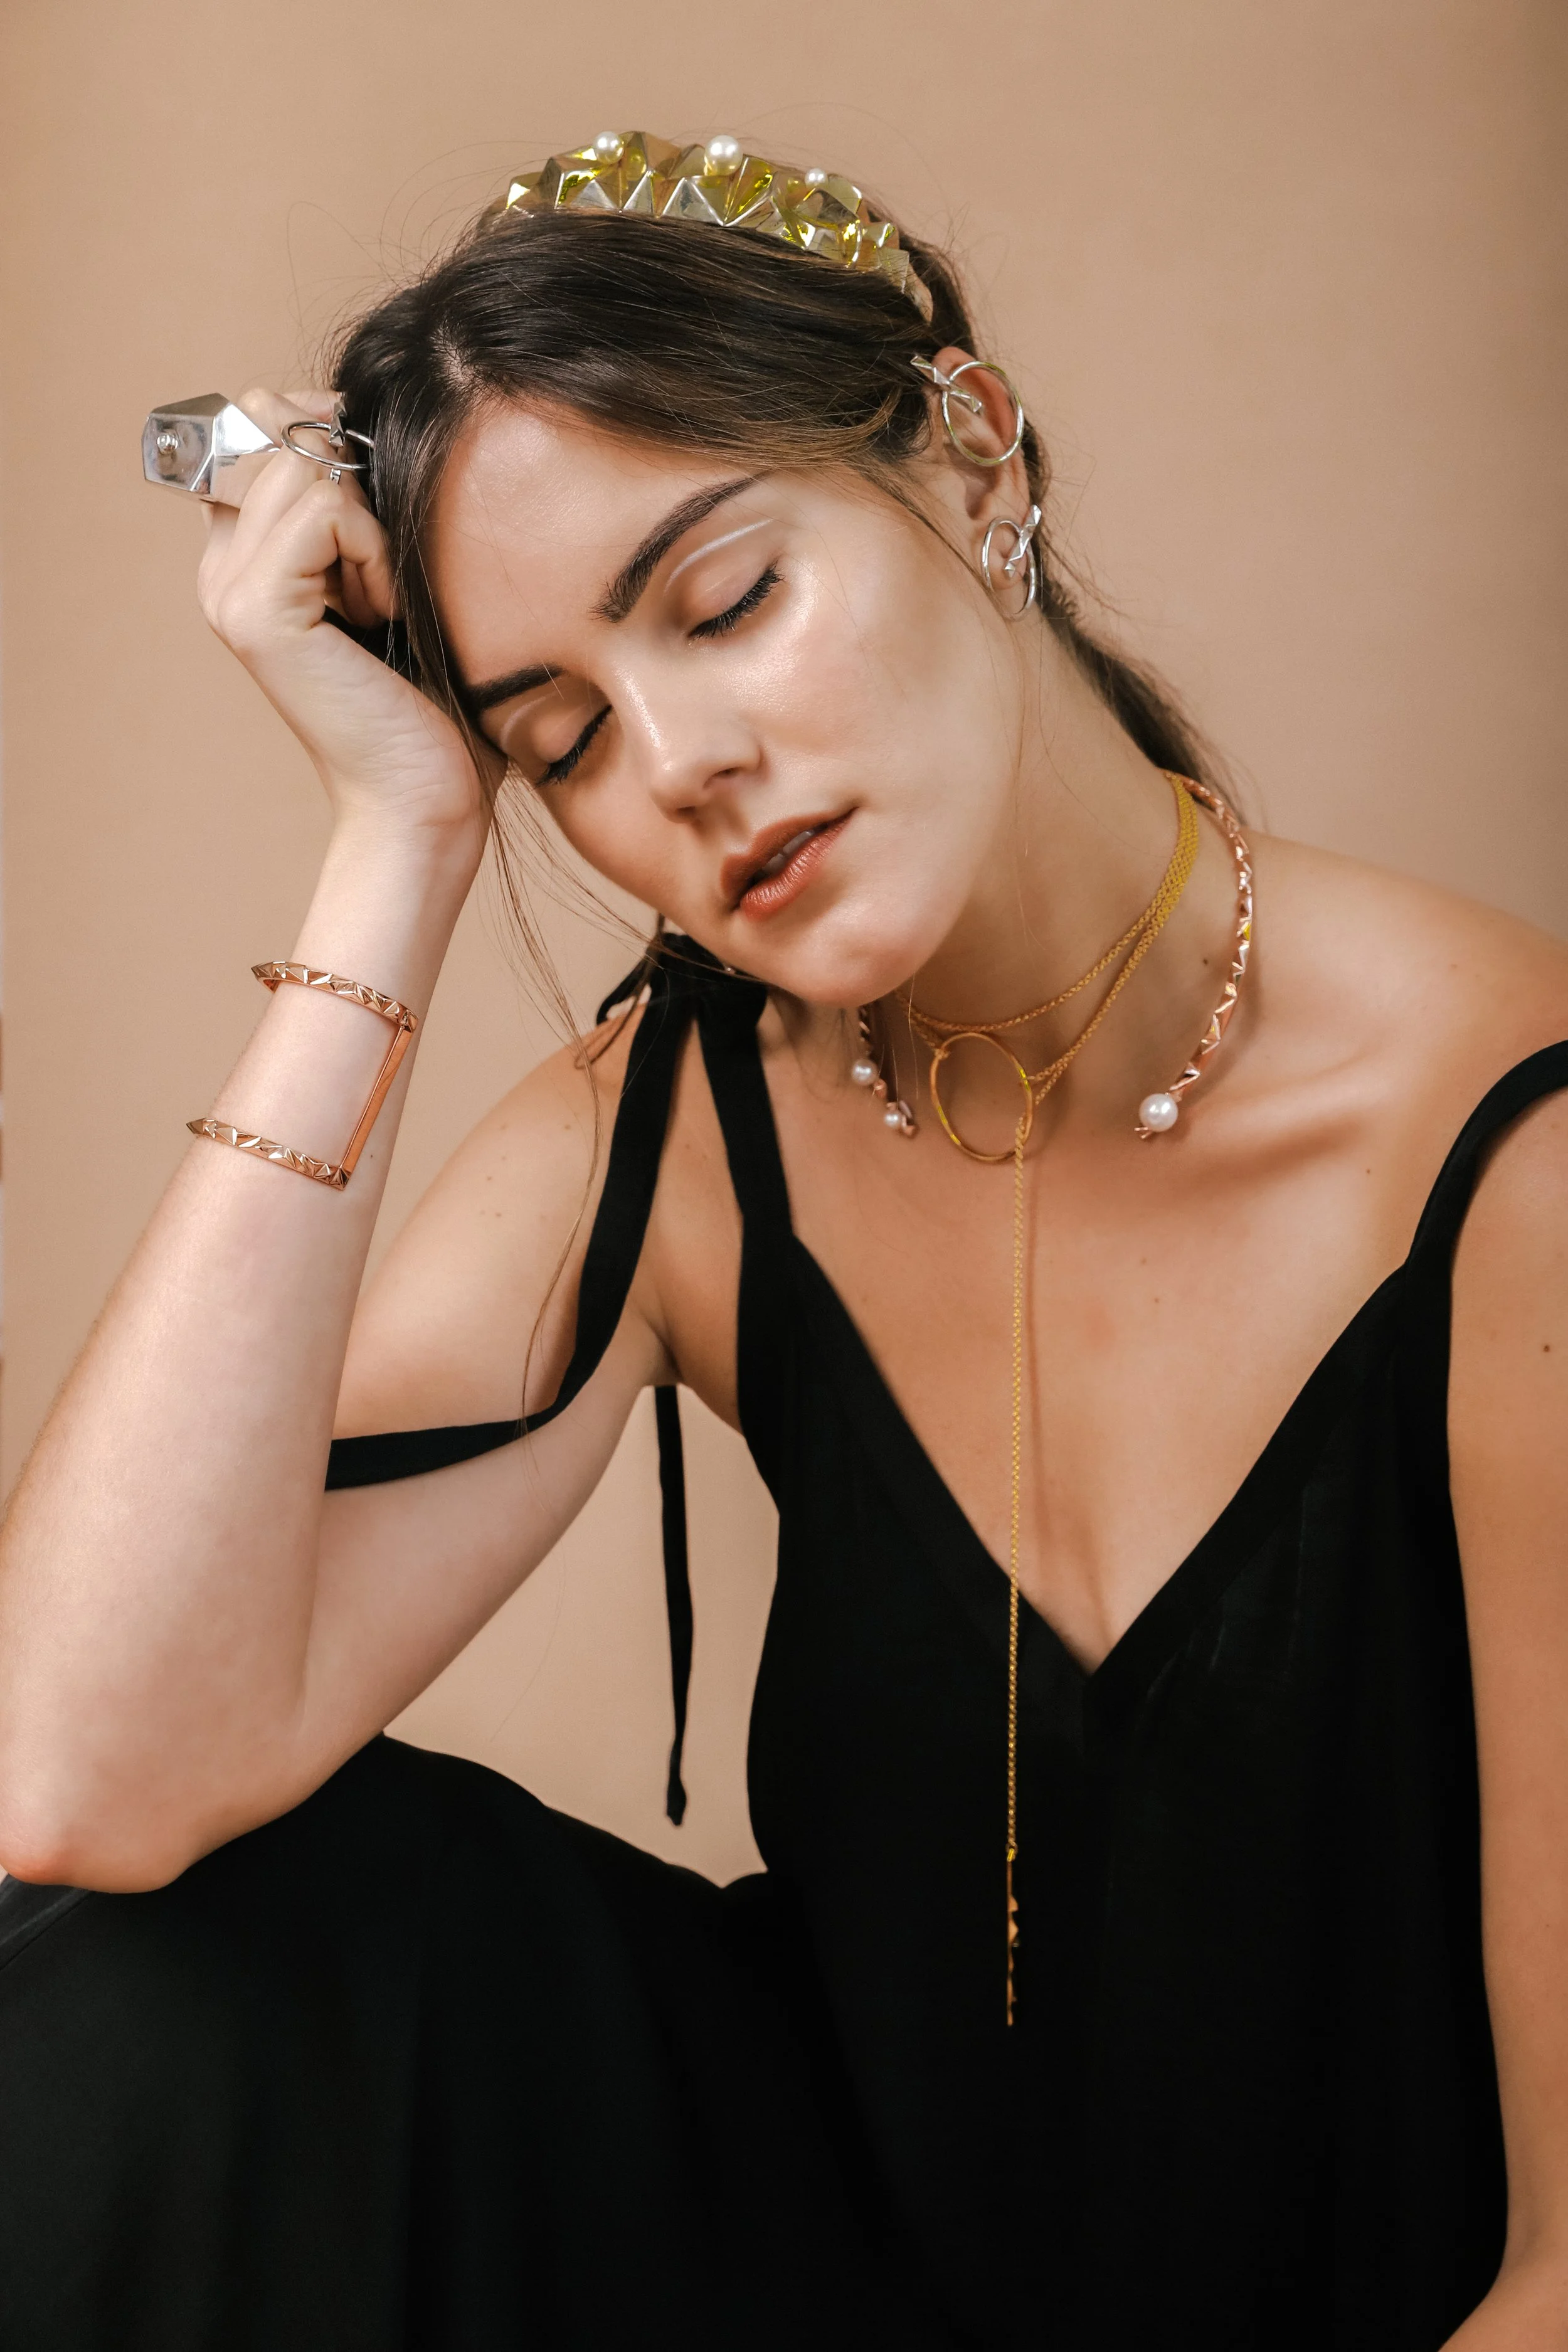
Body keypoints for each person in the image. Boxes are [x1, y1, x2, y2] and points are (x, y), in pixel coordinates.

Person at [1, 129, 1565, 2352]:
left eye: (724, 602)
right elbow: (86, 1770)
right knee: (127, 1989)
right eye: (560, 740)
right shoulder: (692, 1120)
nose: (683, 765)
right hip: (840, 2278)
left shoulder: (1508, 1152)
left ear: (967, 452)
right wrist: (396, 840)